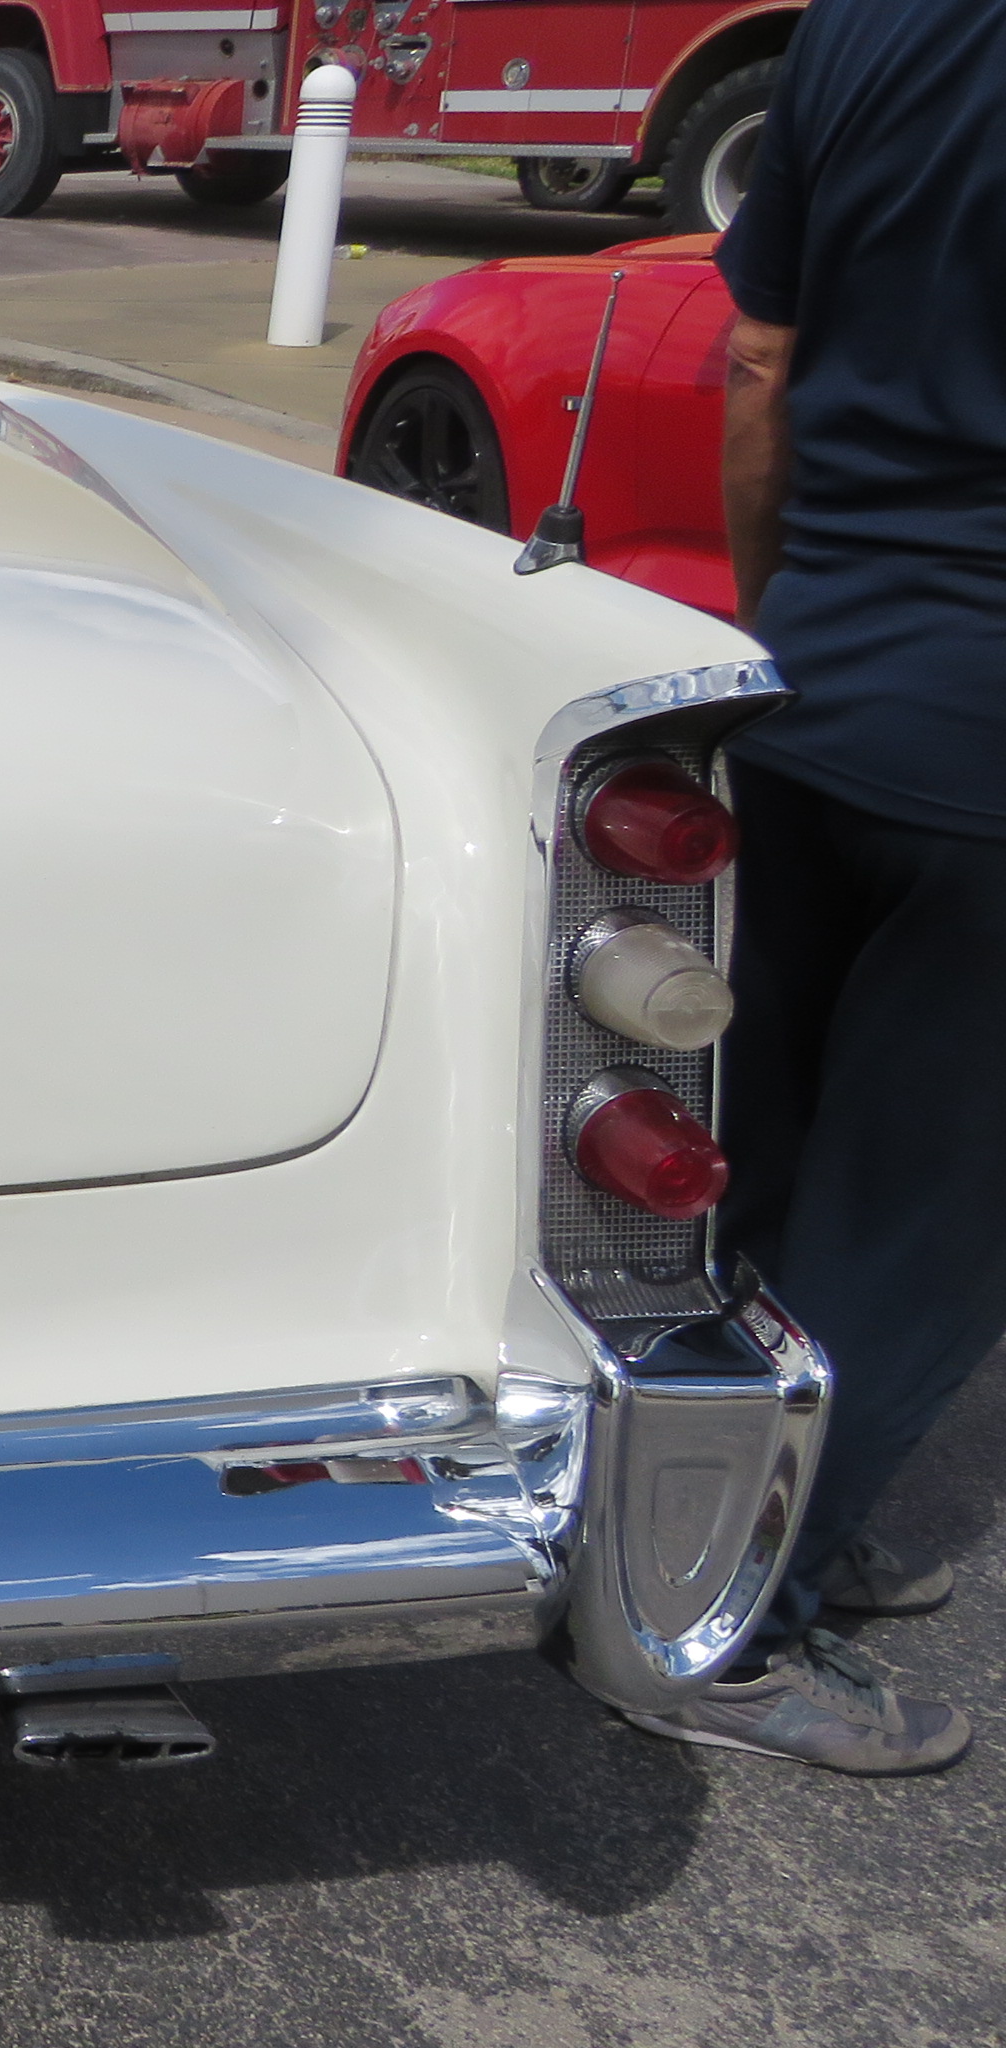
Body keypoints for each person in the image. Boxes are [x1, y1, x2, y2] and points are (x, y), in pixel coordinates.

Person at [617, 0, 1006, 1776]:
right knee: (914, 1224)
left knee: (747, 1172)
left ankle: (737, 1518)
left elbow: (756, 361)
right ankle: (719, 1616)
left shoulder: (865, 24)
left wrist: (784, 637)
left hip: (825, 674)